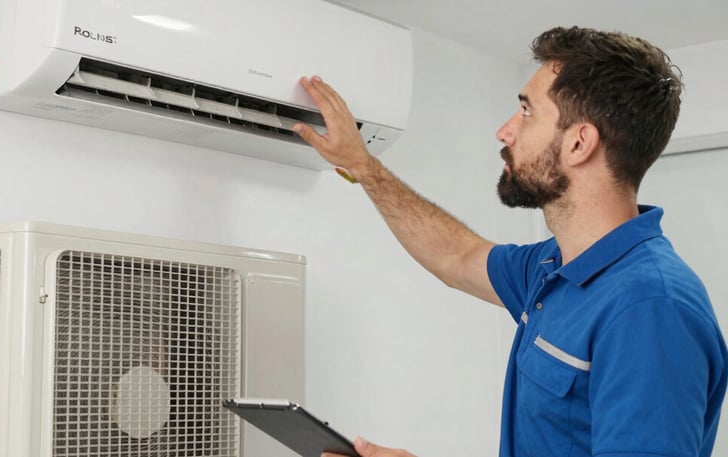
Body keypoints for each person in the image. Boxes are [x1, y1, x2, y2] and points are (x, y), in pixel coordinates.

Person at [291, 26, 728, 457]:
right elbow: (455, 254)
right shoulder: (552, 269)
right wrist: (363, 167)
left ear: (579, 143)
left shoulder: (650, 308)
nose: (505, 131)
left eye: (526, 111)